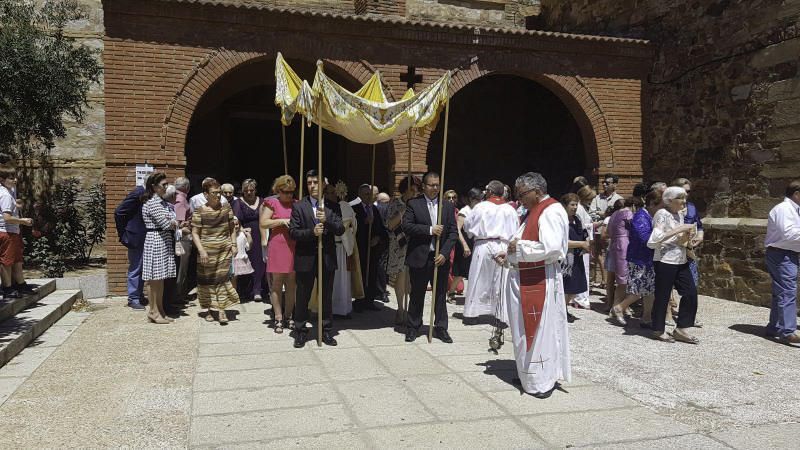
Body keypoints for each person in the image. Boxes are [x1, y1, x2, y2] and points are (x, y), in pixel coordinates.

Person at [496, 172, 570, 399]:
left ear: (537, 191)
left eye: (522, 194)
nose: (519, 199)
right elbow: (519, 242)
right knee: (521, 329)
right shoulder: (533, 212)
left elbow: (552, 247)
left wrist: (517, 249)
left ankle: (541, 381)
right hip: (524, 276)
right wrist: (507, 255)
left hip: (539, 280)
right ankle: (527, 372)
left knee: (540, 330)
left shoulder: (551, 210)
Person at [289, 170, 344, 348]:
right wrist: (311, 233)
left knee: (326, 296)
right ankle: (300, 331)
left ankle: (327, 330)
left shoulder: (332, 206)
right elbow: (293, 232)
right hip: (306, 258)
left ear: (323, 184)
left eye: (316, 182)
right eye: (309, 182)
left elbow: (341, 229)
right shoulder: (299, 206)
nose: (312, 186)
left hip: (326, 257)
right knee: (303, 296)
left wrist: (327, 220)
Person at [401, 171, 458, 343]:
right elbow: (407, 226)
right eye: (431, 185)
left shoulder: (446, 206)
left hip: (439, 257)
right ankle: (413, 326)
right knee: (417, 293)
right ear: (424, 186)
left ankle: (441, 327)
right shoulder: (414, 204)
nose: (435, 188)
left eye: (437, 185)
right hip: (420, 256)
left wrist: (444, 253)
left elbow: (453, 233)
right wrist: (430, 230)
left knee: (440, 294)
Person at [647, 186, 699, 344]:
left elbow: (677, 239)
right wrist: (679, 230)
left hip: (680, 259)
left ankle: (681, 328)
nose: (684, 201)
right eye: (680, 198)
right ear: (669, 200)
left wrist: (687, 236)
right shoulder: (662, 214)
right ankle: (658, 329)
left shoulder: (679, 215)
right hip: (665, 260)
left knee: (690, 292)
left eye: (684, 197)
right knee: (662, 296)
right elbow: (654, 240)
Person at [462, 181, 518, 324]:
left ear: (490, 192)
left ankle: (473, 313)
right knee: (500, 280)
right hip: (503, 245)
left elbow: (468, 225)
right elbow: (516, 230)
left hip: (483, 243)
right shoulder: (510, 209)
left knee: (478, 278)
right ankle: (500, 315)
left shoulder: (480, 207)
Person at [609, 190, 664, 327]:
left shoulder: (649, 216)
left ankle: (646, 318)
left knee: (649, 290)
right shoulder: (640, 217)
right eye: (661, 206)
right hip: (639, 259)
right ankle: (619, 307)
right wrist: (662, 233)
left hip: (647, 258)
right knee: (638, 290)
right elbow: (645, 238)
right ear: (652, 204)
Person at [191, 178, 239, 325]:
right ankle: (210, 309)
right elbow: (195, 233)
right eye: (214, 193)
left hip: (224, 249)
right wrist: (201, 250)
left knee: (223, 279)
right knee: (208, 281)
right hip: (206, 251)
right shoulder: (200, 211)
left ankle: (222, 310)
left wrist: (234, 244)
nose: (217, 196)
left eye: (219, 193)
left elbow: (232, 228)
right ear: (206, 194)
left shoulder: (226, 208)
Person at [764, 180, 800, 345]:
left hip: (786, 254)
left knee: (781, 292)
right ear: (797, 194)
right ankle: (788, 331)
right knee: (787, 291)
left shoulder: (792, 210)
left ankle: (775, 327)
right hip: (782, 254)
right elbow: (789, 235)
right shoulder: (784, 209)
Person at [260, 175, 297, 334]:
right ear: (278, 190)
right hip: (278, 245)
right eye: (285, 192)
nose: (288, 195)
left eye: (291, 192)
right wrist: (282, 221)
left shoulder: (297, 204)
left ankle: (289, 316)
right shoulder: (272, 203)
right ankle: (278, 317)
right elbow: (263, 223)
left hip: (294, 246)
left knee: (291, 284)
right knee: (276, 284)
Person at [140, 172, 178, 324]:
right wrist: (172, 221)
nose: (166, 187)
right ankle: (153, 311)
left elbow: (173, 219)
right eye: (163, 185)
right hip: (156, 239)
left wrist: (173, 220)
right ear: (154, 187)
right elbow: (167, 223)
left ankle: (160, 310)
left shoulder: (161, 202)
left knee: (160, 279)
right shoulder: (152, 202)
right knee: (154, 280)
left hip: (163, 239)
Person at [385, 175, 421, 324]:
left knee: (411, 281)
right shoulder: (395, 203)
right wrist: (403, 211)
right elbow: (389, 225)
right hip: (399, 246)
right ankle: (400, 309)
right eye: (411, 190)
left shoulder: (418, 204)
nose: (414, 193)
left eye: (416, 191)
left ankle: (410, 309)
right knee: (400, 278)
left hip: (415, 245)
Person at [0, 168, 35, 299]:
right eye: (11, 178)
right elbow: (7, 218)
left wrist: (16, 205)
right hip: (6, 231)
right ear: (2, 180)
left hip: (13, 231)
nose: (15, 180)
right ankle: (7, 288)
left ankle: (20, 284)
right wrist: (23, 221)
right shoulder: (4, 195)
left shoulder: (9, 192)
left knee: (17, 260)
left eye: (15, 177)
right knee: (6, 261)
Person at [353, 183, 388, 312]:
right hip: (360, 248)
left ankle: (370, 300)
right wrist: (364, 222)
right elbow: (352, 228)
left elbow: (381, 228)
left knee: (372, 274)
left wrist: (378, 238)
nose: (369, 197)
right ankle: (359, 301)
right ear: (360, 195)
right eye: (366, 194)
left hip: (373, 248)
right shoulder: (355, 209)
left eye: (370, 194)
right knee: (361, 274)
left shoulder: (374, 209)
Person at [114, 184, 147, 310]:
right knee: (136, 267)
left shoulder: (145, 193)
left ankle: (138, 295)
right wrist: (123, 233)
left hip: (142, 236)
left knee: (142, 267)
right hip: (135, 236)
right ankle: (133, 298)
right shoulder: (138, 193)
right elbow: (118, 212)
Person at [606, 197, 641, 309]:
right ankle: (618, 306)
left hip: (614, 244)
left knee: (613, 276)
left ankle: (611, 303)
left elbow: (608, 231)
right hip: (624, 244)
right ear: (633, 206)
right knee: (623, 277)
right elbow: (635, 230)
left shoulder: (614, 214)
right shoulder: (628, 214)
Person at [327, 182, 357, 318]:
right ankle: (329, 309)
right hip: (329, 247)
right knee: (330, 281)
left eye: (334, 193)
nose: (332, 196)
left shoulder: (345, 206)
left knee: (343, 279)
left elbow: (354, 225)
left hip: (343, 248)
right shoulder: (323, 207)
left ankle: (343, 309)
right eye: (329, 193)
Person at [233, 179, 265, 301]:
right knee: (245, 261)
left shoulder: (262, 201)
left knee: (259, 262)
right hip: (245, 235)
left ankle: (258, 290)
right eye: (246, 191)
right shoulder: (238, 203)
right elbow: (236, 220)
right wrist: (242, 231)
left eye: (251, 190)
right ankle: (245, 290)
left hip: (260, 233)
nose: (249, 193)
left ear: (255, 190)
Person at [559, 193, 589, 323]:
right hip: (566, 258)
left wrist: (585, 242)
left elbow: (583, 234)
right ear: (565, 206)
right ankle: (561, 310)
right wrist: (581, 244)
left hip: (577, 256)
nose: (575, 207)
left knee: (576, 286)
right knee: (567, 285)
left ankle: (563, 308)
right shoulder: (562, 221)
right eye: (572, 204)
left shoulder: (577, 219)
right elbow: (562, 241)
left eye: (576, 204)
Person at [449, 188, 481, 302]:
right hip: (464, 241)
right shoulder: (464, 211)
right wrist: (464, 245)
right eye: (477, 199)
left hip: (474, 241)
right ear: (471, 199)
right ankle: (451, 292)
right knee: (461, 271)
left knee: (472, 270)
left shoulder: (479, 210)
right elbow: (457, 230)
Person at [572, 185, 596, 309]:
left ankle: (578, 297)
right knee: (583, 270)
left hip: (584, 241)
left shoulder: (581, 208)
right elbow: (583, 225)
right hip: (583, 242)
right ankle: (581, 298)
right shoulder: (580, 208)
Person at [173, 177, 192, 303]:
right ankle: (178, 296)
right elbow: (179, 223)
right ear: (187, 187)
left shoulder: (179, 198)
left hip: (183, 238)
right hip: (182, 239)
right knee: (181, 268)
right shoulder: (180, 200)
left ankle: (179, 294)